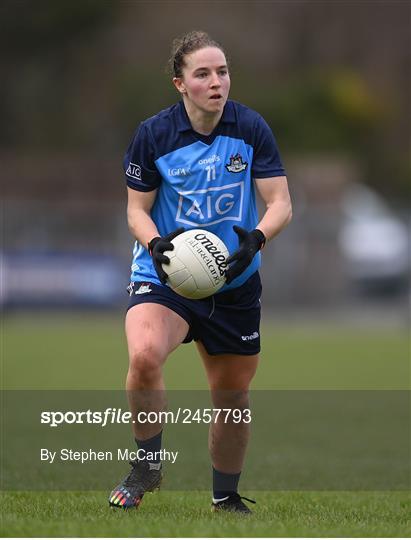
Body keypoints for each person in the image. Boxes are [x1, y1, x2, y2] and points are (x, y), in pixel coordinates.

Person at [109, 30, 292, 514]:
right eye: (203, 73)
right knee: (145, 355)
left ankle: (225, 497)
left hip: (234, 281)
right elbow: (135, 211)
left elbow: (280, 204)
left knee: (232, 397)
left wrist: (256, 238)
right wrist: (155, 244)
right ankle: (146, 466)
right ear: (180, 84)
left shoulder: (251, 128)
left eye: (223, 71)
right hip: (166, 273)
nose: (217, 82)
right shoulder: (154, 134)